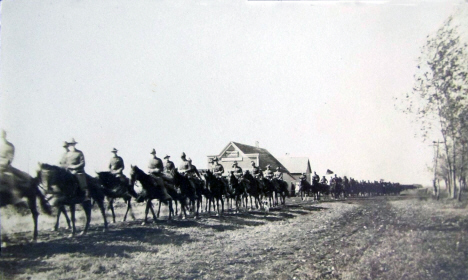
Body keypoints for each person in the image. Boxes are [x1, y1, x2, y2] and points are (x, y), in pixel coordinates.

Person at [0, 130, 29, 205]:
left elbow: (10, 159)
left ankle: (15, 196)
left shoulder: (10, 146)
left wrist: (4, 164)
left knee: (11, 177)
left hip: (5, 167)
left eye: (3, 134)